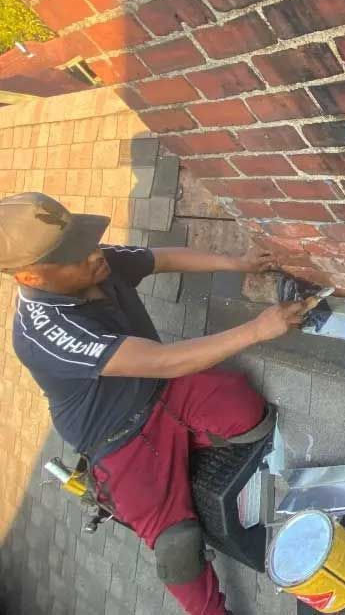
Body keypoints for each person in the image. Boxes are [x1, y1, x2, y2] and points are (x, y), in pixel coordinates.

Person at [1, 192, 309, 615]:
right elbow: (164, 361)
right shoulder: (41, 335)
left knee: (248, 413)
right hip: (120, 441)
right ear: (33, 277)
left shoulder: (96, 263)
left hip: (161, 391)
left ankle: (183, 456)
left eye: (86, 241)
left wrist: (238, 261)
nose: (94, 253)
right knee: (178, 546)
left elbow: (160, 259)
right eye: (76, 254)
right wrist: (257, 329)